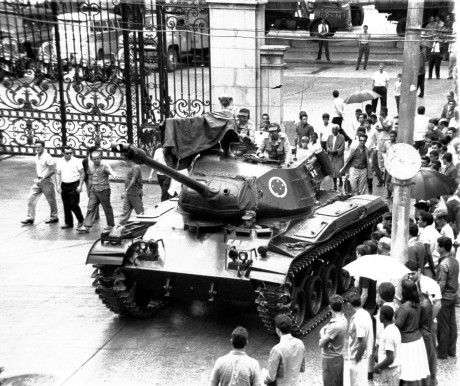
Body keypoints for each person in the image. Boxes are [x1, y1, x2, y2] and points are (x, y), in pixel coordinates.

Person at [405, 259, 442, 386]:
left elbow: (437, 304)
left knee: (431, 353)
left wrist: (428, 320)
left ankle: (432, 380)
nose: (410, 276)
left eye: (413, 273)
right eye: (408, 274)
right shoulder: (408, 284)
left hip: (429, 323)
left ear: (419, 271)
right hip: (416, 323)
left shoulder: (430, 284)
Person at [394, 279, 430, 385]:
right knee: (415, 373)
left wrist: (393, 317)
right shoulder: (416, 303)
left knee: (408, 374)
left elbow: (398, 326)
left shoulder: (405, 308)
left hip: (407, 344)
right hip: (417, 340)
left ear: (404, 291)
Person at [77, 150, 116, 233]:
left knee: (106, 207)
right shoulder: (90, 167)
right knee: (90, 207)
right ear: (91, 159)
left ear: (100, 158)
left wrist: (113, 174)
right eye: (94, 159)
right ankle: (86, 226)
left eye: (98, 158)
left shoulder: (104, 165)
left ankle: (110, 224)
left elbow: (110, 170)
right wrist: (89, 188)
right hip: (94, 190)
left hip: (104, 190)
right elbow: (90, 177)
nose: (97, 160)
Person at [21, 140, 59, 225]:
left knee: (51, 200)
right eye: (36, 147)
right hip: (38, 181)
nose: (37, 149)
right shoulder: (37, 156)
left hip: (46, 181)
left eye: (39, 147)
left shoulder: (47, 156)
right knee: (31, 198)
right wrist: (39, 178)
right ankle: (30, 218)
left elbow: (52, 170)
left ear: (43, 147)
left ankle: (54, 217)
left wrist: (43, 178)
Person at [263, 314, 306, 386]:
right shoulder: (300, 343)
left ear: (277, 330)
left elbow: (271, 377)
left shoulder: (277, 349)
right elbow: (302, 369)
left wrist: (262, 376)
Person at [436, 236, 459, 359]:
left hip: (445, 297)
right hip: (453, 296)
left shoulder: (444, 263)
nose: (437, 248)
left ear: (442, 248)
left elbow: (442, 283)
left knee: (443, 325)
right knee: (452, 324)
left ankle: (442, 352)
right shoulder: (454, 261)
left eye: (438, 246)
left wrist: (436, 296)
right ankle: (451, 350)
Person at [319, 294, 348, 386]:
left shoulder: (335, 325)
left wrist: (322, 334)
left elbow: (321, 343)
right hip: (338, 358)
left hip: (330, 360)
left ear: (329, 307)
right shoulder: (342, 319)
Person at [56, 146, 85, 229]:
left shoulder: (77, 161)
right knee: (66, 205)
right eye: (67, 153)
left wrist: (80, 185)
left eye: (70, 153)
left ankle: (81, 219)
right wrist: (58, 185)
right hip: (64, 184)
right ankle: (68, 223)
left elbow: (82, 173)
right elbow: (58, 174)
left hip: (74, 184)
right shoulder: (60, 161)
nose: (69, 155)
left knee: (73, 204)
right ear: (63, 153)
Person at [348, 292, 373, 386]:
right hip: (364, 356)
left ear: (349, 305)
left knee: (356, 382)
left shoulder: (357, 319)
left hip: (358, 357)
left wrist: (355, 359)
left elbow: (362, 344)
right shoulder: (365, 313)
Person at [372, 305, 401, 386]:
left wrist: (377, 367)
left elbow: (390, 358)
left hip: (390, 372)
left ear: (382, 317)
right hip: (393, 371)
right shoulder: (395, 329)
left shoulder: (388, 333)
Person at [119, 155, 144, 225]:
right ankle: (121, 224)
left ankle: (144, 224)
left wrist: (126, 190)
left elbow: (133, 180)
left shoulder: (136, 167)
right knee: (126, 211)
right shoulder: (131, 167)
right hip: (129, 193)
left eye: (127, 161)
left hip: (134, 192)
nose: (126, 163)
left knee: (140, 211)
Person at [418, 212, 439, 278]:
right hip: (437, 263)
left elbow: (428, 252)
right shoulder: (435, 231)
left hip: (429, 266)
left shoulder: (424, 234)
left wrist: (432, 270)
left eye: (419, 220)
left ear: (425, 222)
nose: (418, 221)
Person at [326, 124, 345, 191]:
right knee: (333, 171)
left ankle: (340, 180)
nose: (334, 132)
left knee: (338, 170)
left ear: (338, 130)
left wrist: (336, 151)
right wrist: (329, 150)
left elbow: (342, 147)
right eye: (333, 130)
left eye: (335, 130)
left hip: (338, 157)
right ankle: (334, 185)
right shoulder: (330, 137)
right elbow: (327, 145)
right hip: (331, 157)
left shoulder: (342, 137)